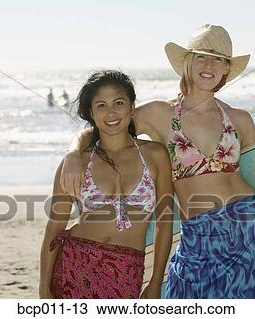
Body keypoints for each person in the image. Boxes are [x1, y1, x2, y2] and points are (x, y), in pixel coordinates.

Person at [60, 25, 255, 299]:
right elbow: (106, 127)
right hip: (197, 236)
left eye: (218, 59)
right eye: (201, 56)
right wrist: (73, 153)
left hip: (252, 232)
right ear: (188, 62)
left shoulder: (239, 118)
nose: (209, 64)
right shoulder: (158, 114)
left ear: (226, 69)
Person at [39, 70, 174, 299]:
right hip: (74, 264)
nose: (110, 112)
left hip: (126, 270)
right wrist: (44, 289)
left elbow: (165, 222)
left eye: (118, 103)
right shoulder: (76, 162)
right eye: (101, 105)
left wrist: (155, 280)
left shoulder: (155, 155)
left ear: (131, 108)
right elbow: (54, 228)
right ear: (91, 112)